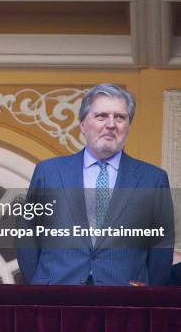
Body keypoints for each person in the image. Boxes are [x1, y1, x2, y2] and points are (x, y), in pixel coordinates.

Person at [17, 83, 175, 286]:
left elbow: (161, 249)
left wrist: (147, 295)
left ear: (128, 125)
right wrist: (40, 286)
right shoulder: (49, 172)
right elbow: (28, 237)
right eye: (101, 116)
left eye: (120, 117)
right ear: (83, 124)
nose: (111, 124)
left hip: (124, 300)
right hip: (56, 295)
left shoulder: (153, 179)